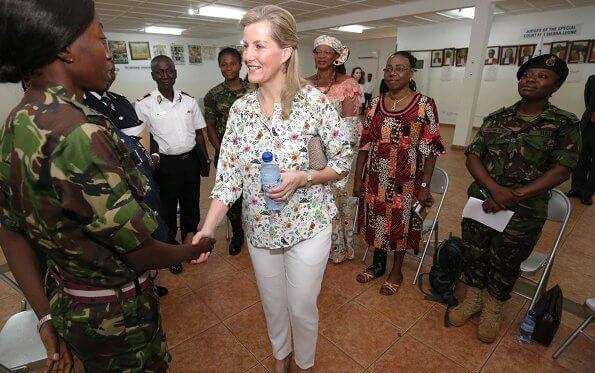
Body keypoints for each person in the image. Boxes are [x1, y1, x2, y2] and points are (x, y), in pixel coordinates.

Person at [0, 1, 214, 372]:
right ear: (65, 49)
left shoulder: (19, 120)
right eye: (102, 38)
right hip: (116, 318)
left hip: (70, 304)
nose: (108, 53)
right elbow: (139, 252)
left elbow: (11, 232)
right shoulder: (80, 132)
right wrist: (190, 250)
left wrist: (45, 317)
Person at [191, 5, 352, 372]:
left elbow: (342, 162)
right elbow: (228, 176)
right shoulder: (241, 110)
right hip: (261, 229)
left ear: (286, 52)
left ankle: (304, 363)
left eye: (258, 46)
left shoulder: (315, 104)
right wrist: (206, 229)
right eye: (245, 45)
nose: (247, 55)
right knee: (273, 303)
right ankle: (281, 357)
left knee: (301, 306)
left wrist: (303, 177)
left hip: (309, 225)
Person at [448, 54, 580, 344]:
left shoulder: (564, 124)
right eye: (527, 75)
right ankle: (473, 300)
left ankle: (494, 308)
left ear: (556, 86)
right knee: (475, 251)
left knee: (506, 260)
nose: (531, 79)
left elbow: (563, 169)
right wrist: (495, 190)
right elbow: (473, 156)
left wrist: (514, 195)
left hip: (525, 209)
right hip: (483, 202)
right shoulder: (497, 118)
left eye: (542, 76)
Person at [354, 52, 445, 295]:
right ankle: (378, 264)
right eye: (389, 68)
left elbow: (431, 148)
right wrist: (358, 177)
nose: (393, 73)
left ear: (412, 72)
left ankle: (397, 270)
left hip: (407, 177)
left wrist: (425, 186)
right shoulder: (375, 103)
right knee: (376, 220)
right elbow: (365, 141)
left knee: (401, 224)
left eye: (400, 68)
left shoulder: (425, 104)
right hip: (376, 175)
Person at [83, 62, 170, 296]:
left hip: (142, 179)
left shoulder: (119, 100)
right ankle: (135, 288)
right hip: (117, 186)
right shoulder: (81, 105)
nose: (111, 70)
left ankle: (147, 282)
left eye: (113, 68)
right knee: (127, 237)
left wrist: (152, 153)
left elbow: (144, 132)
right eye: (106, 66)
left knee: (146, 229)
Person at [135, 55, 210, 274]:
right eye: (160, 72)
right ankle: (172, 252)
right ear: (153, 75)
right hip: (165, 166)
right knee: (167, 211)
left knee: (191, 206)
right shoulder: (144, 104)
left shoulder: (188, 100)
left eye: (169, 71)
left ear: (175, 72)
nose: (166, 76)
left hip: (190, 162)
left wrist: (205, 159)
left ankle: (191, 244)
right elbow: (142, 140)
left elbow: (199, 133)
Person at [305, 35, 362, 264]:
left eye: (327, 52)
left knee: (335, 199)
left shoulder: (347, 84)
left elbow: (350, 125)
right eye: (318, 51)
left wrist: (332, 157)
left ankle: (337, 248)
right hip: (308, 152)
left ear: (337, 57)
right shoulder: (305, 84)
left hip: (337, 155)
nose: (321, 56)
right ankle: (312, 246)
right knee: (311, 198)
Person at [204, 48, 256, 255]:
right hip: (227, 156)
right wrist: (223, 152)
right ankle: (238, 234)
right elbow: (210, 127)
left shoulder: (255, 88)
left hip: (255, 155)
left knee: (255, 194)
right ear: (219, 67)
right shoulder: (213, 95)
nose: (229, 68)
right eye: (224, 64)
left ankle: (256, 232)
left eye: (233, 63)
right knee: (232, 199)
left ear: (240, 65)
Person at [568, 75, 595, 205]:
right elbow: (587, 99)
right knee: (581, 157)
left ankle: (588, 193)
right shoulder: (592, 79)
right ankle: (576, 188)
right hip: (588, 124)